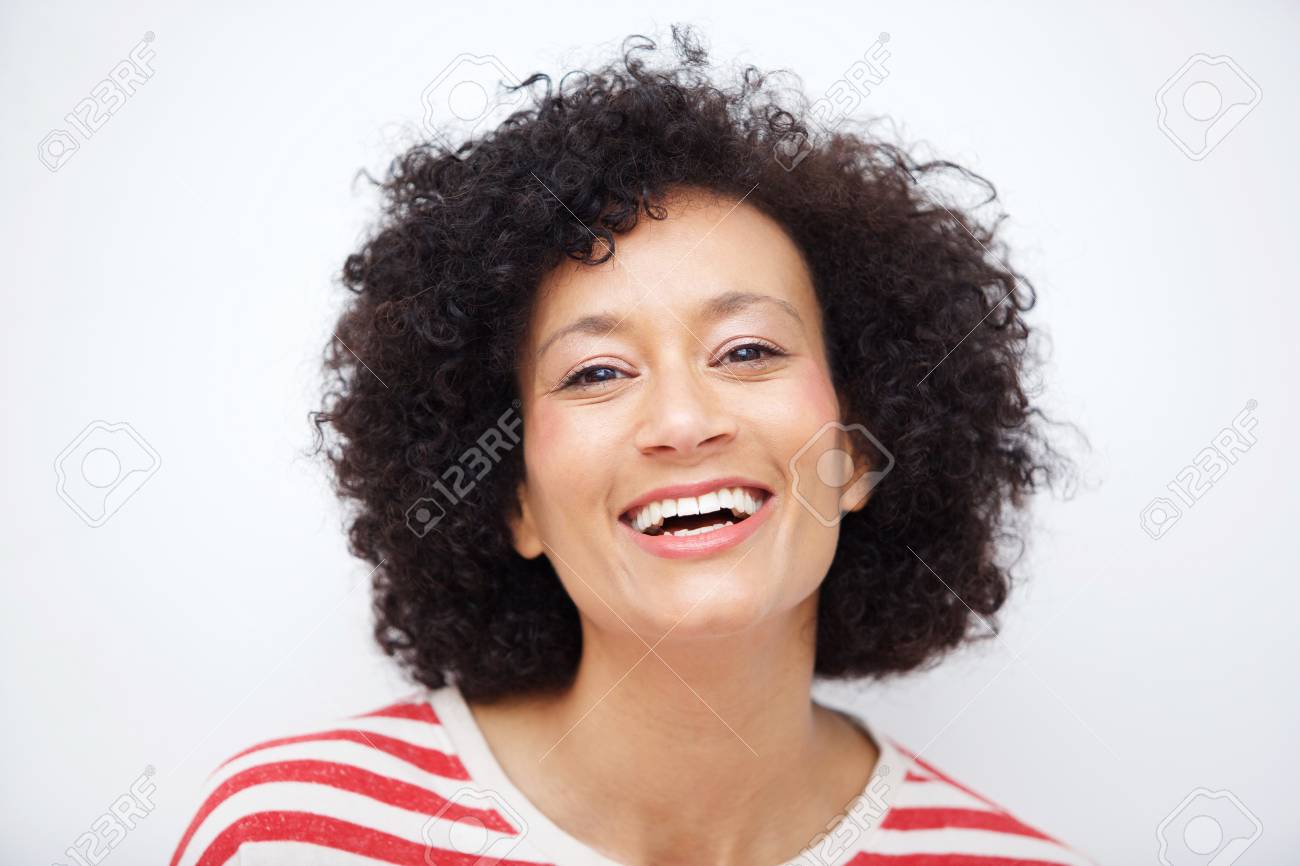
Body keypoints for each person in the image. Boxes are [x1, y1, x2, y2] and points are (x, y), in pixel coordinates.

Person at [171, 25, 1091, 866]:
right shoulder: (290, 834)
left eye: (748, 351)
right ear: (514, 496)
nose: (684, 422)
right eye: (597, 373)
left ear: (857, 451)